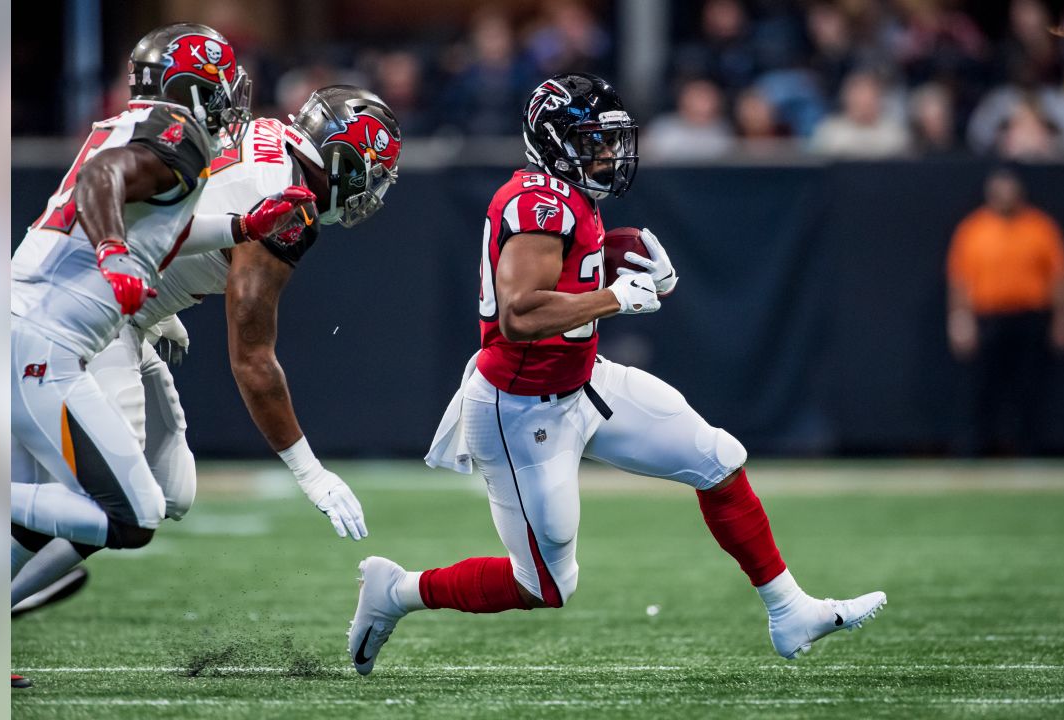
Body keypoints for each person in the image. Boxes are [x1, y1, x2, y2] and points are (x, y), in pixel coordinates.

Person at [346, 73, 886, 675]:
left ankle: (789, 610)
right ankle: (396, 592)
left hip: (582, 382)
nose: (608, 153)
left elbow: (576, 273)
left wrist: (645, 275)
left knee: (717, 458)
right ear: (556, 142)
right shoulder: (538, 203)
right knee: (546, 584)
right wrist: (615, 298)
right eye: (594, 141)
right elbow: (520, 315)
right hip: (520, 410)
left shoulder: (570, 198)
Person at [10, 87, 400, 616]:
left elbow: (184, 214)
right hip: (100, 320)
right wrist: (312, 472)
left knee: (173, 493)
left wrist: (162, 293)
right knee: (120, 503)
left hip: (121, 307)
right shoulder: (288, 204)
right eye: (372, 174)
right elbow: (253, 359)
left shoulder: (269, 141)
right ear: (344, 156)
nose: (371, 191)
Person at [9, 23, 312, 686]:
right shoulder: (178, 135)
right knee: (130, 514)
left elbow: (162, 222)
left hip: (23, 324)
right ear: (193, 88)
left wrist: (242, 225)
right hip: (41, 341)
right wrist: (114, 254)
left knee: (41, 515)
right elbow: (102, 180)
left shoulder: (144, 127)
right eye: (223, 86)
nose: (233, 99)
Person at [947, 169, 1064, 455]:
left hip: (1030, 317)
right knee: (980, 388)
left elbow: (1060, 276)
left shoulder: (1040, 227)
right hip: (988, 317)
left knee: (1029, 387)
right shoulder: (973, 229)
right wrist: (960, 319)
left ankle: (1029, 449)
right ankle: (973, 449)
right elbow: (959, 279)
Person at [810, 70, 909, 157]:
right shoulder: (830, 131)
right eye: (858, 97)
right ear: (847, 99)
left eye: (870, 97)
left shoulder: (894, 134)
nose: (864, 103)